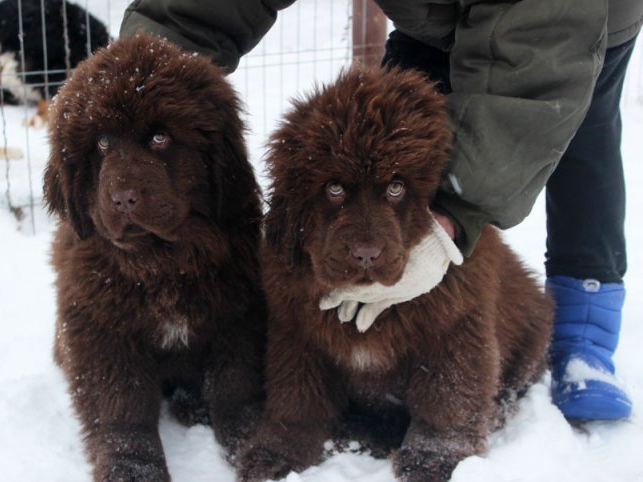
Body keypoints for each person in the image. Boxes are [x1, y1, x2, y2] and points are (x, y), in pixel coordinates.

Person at [118, 0, 642, 421]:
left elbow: (536, 69)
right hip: (433, 17)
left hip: (571, 22)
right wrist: (135, 102)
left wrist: (451, 215)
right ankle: (372, 360)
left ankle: (584, 335)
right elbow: (195, 12)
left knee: (575, 136)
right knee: (391, 140)